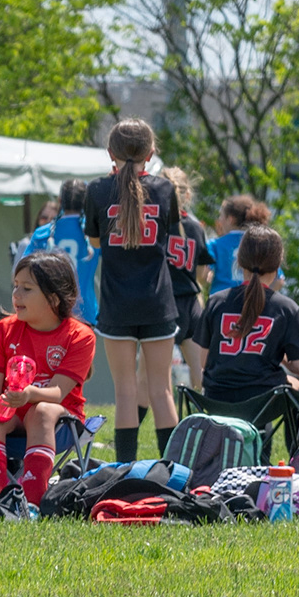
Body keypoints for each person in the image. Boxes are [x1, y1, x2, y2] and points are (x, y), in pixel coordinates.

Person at [84, 119, 182, 462]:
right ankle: (172, 471)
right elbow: (169, 236)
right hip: (158, 303)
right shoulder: (166, 189)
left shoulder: (96, 190)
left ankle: (125, 470)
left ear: (110, 153)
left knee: (125, 392)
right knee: (161, 390)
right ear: (150, 153)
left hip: (116, 304)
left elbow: (95, 240)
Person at [0, 251, 97, 504]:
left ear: (53, 298)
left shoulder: (80, 336)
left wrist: (28, 394)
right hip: (13, 414)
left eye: (27, 289)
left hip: (61, 421)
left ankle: (33, 501)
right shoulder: (3, 331)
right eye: (15, 286)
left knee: (40, 410)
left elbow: (57, 393)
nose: (16, 295)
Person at [193, 227, 299, 402]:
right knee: (295, 385)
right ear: (277, 266)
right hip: (262, 402)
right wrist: (283, 358)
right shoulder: (286, 308)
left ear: (240, 262)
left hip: (217, 400)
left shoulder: (216, 302)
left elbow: (204, 361)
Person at [162, 168, 215, 389]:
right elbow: (202, 275)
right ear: (187, 195)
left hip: (166, 304)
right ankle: (202, 415)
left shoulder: (157, 225)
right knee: (199, 371)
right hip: (192, 305)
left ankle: (167, 419)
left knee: (157, 372)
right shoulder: (196, 227)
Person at [21, 178, 99, 323]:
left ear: (60, 201)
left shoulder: (42, 233)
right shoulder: (94, 233)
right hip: (85, 312)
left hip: (48, 310)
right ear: (87, 202)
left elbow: (23, 271)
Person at [205, 195, 271, 294]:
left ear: (230, 219)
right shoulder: (259, 244)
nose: (219, 220)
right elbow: (279, 280)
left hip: (221, 301)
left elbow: (203, 275)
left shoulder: (215, 244)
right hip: (249, 301)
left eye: (221, 215)